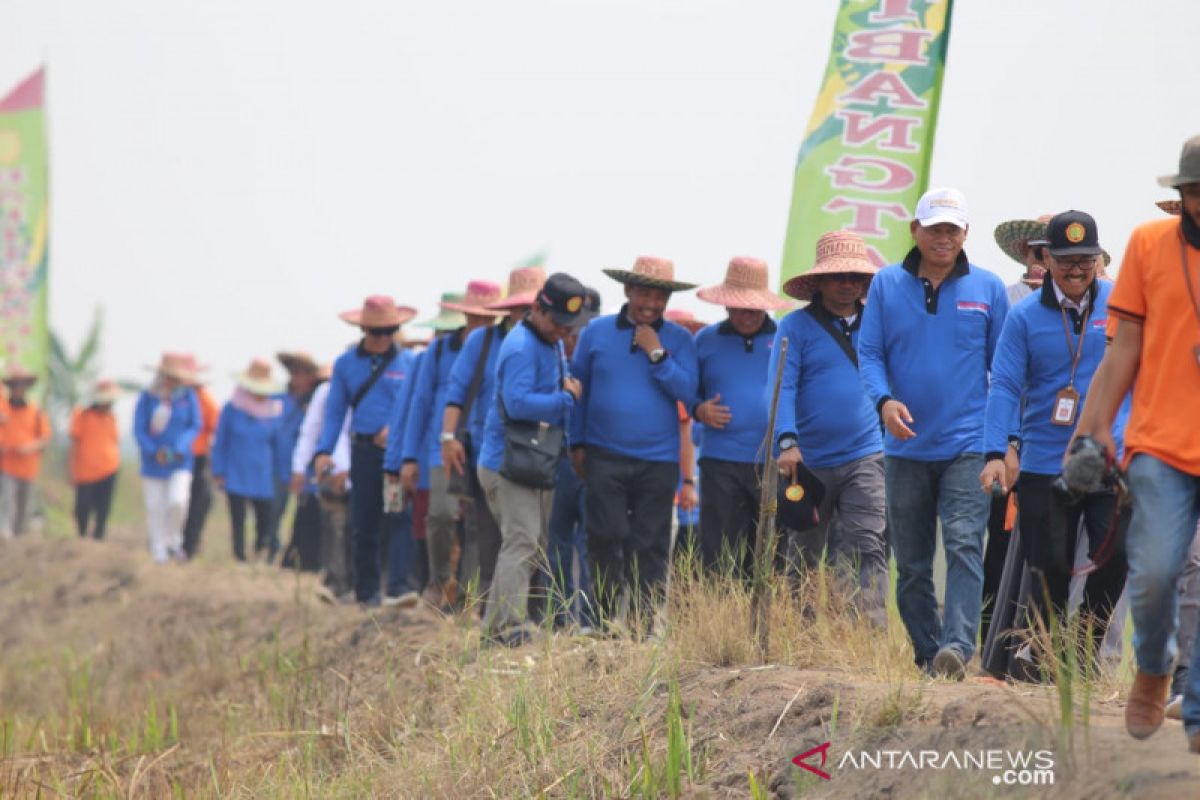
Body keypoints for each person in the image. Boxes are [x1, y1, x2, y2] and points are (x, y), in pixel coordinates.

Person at [1072, 134, 1200, 751]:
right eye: (1195, 192)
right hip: (1161, 444)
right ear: (1181, 194)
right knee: (1152, 574)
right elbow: (1124, 348)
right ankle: (1152, 668)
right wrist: (1093, 428)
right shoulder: (1149, 246)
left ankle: (1196, 701)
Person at [858, 188, 1009, 679]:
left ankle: (958, 646)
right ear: (915, 231)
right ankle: (929, 654)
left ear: (965, 233)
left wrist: (1003, 443)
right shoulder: (884, 285)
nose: (943, 237)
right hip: (904, 446)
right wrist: (884, 401)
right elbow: (871, 353)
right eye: (934, 227)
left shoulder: (989, 289)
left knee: (966, 544)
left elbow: (1003, 372)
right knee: (913, 562)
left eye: (952, 228)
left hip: (969, 444)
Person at [981, 210, 1128, 671]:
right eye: (1066, 259)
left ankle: (1084, 650)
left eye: (1086, 259)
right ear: (1047, 259)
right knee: (1051, 566)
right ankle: (1042, 654)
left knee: (1117, 557)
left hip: (1109, 457)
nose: (1077, 269)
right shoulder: (1023, 316)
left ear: (1097, 259)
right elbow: (1003, 384)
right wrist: (995, 451)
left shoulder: (1122, 306)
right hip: (1045, 460)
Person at [570, 256, 699, 631]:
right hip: (603, 454)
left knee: (651, 544)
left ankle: (644, 624)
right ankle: (607, 619)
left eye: (660, 297)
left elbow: (689, 393)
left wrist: (656, 352)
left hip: (658, 461)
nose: (651, 303)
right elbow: (580, 390)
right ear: (627, 290)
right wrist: (576, 443)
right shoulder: (595, 333)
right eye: (644, 293)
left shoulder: (679, 339)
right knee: (606, 537)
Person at [771, 232, 889, 625]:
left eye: (855, 277)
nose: (847, 284)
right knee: (803, 550)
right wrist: (787, 442)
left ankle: (866, 632)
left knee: (867, 544)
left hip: (866, 454)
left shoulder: (878, 323)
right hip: (809, 460)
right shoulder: (795, 327)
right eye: (838, 276)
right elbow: (782, 388)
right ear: (820, 281)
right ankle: (801, 631)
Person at [476, 273, 587, 644]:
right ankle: (503, 629)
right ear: (537, 308)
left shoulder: (550, 342)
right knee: (521, 542)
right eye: (556, 323)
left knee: (530, 544)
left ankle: (499, 625)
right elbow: (517, 402)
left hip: (531, 461)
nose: (561, 331)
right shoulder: (522, 345)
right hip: (506, 464)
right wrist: (565, 398)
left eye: (567, 326)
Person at [442, 267, 545, 609]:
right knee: (487, 532)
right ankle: (489, 611)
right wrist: (448, 437)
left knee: (531, 537)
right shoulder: (482, 341)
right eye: (521, 309)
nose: (526, 315)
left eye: (533, 308)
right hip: (489, 451)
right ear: (509, 309)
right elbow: (456, 392)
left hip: (534, 454)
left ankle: (530, 613)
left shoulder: (550, 344)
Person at [398, 281, 504, 610]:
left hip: (485, 445)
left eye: (486, 318)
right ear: (463, 317)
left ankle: (469, 597)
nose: (479, 324)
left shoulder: (505, 346)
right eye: (473, 317)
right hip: (441, 446)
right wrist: (407, 457)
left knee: (477, 524)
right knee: (441, 514)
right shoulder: (439, 351)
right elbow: (420, 403)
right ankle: (440, 579)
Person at [690, 256, 791, 576]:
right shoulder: (705, 341)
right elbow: (689, 392)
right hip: (720, 460)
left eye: (753, 308)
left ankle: (762, 621)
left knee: (768, 551)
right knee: (717, 551)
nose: (746, 315)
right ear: (726, 305)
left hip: (773, 461)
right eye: (739, 307)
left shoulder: (786, 337)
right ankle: (717, 616)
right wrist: (699, 409)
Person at [315, 295, 418, 605]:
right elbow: (334, 413)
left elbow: (415, 406)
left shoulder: (409, 362)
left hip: (396, 454)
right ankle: (367, 592)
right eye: (377, 332)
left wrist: (396, 431)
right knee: (365, 521)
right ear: (363, 329)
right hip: (363, 452)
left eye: (390, 331)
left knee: (400, 517)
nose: (383, 338)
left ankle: (398, 588)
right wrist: (323, 451)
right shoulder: (346, 364)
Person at [547, 286, 601, 628]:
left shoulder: (598, 361)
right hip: (555, 461)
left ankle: (589, 619)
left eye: (585, 329)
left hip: (591, 459)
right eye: (574, 329)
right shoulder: (551, 357)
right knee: (557, 541)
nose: (576, 336)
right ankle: (557, 618)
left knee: (590, 542)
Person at [212, 358, 285, 563]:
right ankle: (240, 557)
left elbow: (278, 445)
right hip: (236, 470)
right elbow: (221, 441)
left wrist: (283, 473)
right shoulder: (232, 408)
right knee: (238, 518)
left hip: (263, 473)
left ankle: (260, 551)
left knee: (265, 518)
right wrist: (219, 470)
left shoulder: (274, 410)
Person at [292, 362, 354, 601]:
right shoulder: (326, 393)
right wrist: (300, 467)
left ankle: (355, 583)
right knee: (335, 526)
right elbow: (313, 430)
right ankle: (337, 581)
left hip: (362, 468)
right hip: (334, 469)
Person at [134, 352, 202, 563]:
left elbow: (195, 425)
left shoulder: (188, 397)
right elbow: (139, 429)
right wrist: (155, 451)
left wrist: (179, 448)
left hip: (180, 462)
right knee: (155, 506)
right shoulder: (148, 397)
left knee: (177, 501)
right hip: (153, 462)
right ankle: (159, 551)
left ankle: (174, 540)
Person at [276, 351, 324, 571]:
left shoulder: (315, 402)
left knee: (311, 513)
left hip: (311, 468)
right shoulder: (283, 401)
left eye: (301, 372)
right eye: (293, 372)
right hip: (288, 466)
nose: (296, 377)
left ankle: (308, 560)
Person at [0, 366, 51, 538]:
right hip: (7, 465)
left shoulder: (35, 411)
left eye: (22, 385)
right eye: (16, 385)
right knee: (8, 502)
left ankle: (18, 538)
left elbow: (44, 438)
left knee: (24, 506)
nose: (19, 389)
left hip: (29, 467)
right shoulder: (3, 410)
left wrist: (30, 447)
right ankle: (5, 536)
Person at [69, 379, 121, 540]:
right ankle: (82, 534)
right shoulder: (82, 415)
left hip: (109, 468)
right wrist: (70, 469)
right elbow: (74, 443)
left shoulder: (112, 418)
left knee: (103, 507)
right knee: (82, 507)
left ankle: (99, 536)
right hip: (85, 470)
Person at [181, 356, 219, 559]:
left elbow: (216, 428)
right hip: (175, 461)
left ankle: (191, 544)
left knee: (200, 501)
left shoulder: (204, 399)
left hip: (198, 457)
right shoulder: (172, 400)